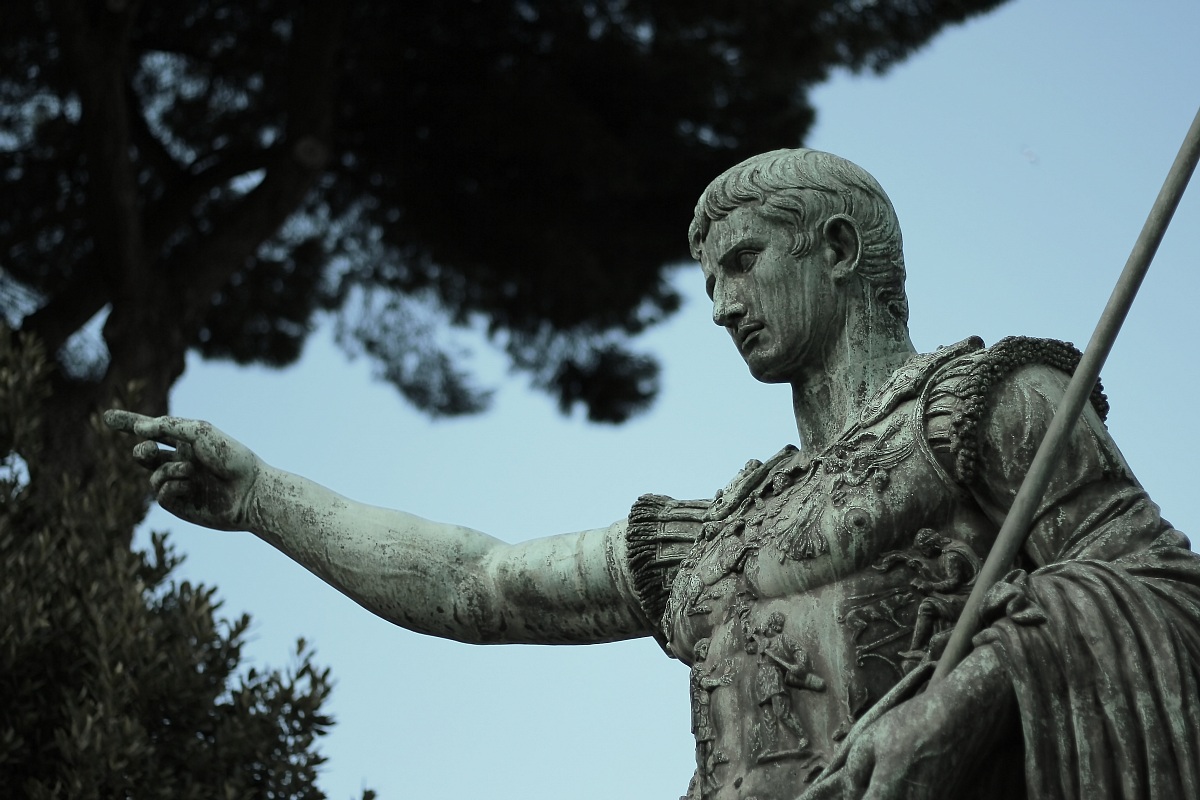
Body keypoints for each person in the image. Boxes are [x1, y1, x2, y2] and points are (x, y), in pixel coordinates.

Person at [108, 148, 1200, 799]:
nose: (718, 303)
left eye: (741, 262)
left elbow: (1164, 592)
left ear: (835, 248)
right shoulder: (718, 533)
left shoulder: (990, 406)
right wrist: (263, 498)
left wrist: (969, 696)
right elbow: (476, 583)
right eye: (705, 276)